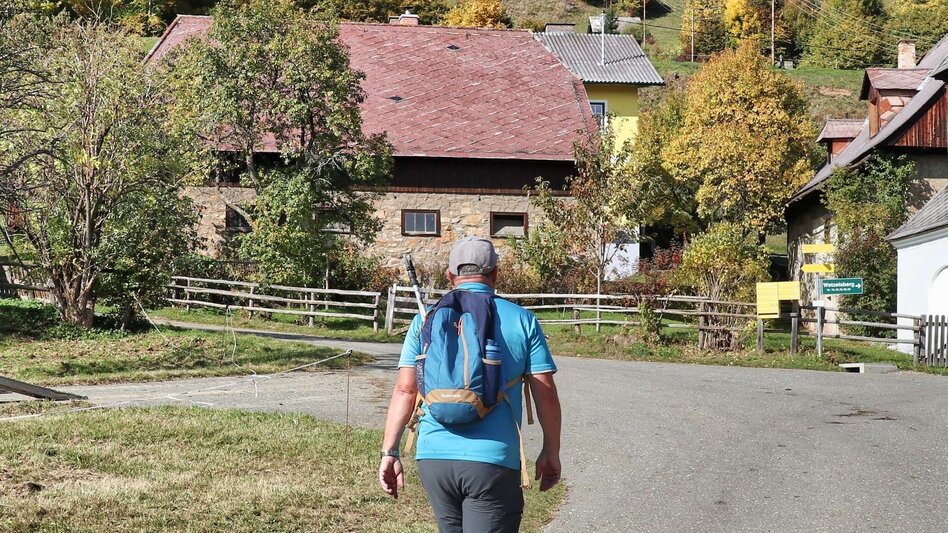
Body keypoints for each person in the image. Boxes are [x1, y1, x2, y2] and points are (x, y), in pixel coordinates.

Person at [378, 237, 563, 533]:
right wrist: (551, 451)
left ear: (450, 275)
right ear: (495, 274)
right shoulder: (522, 320)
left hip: (434, 458)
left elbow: (405, 390)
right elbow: (546, 395)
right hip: (492, 461)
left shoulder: (426, 320)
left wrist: (390, 452)